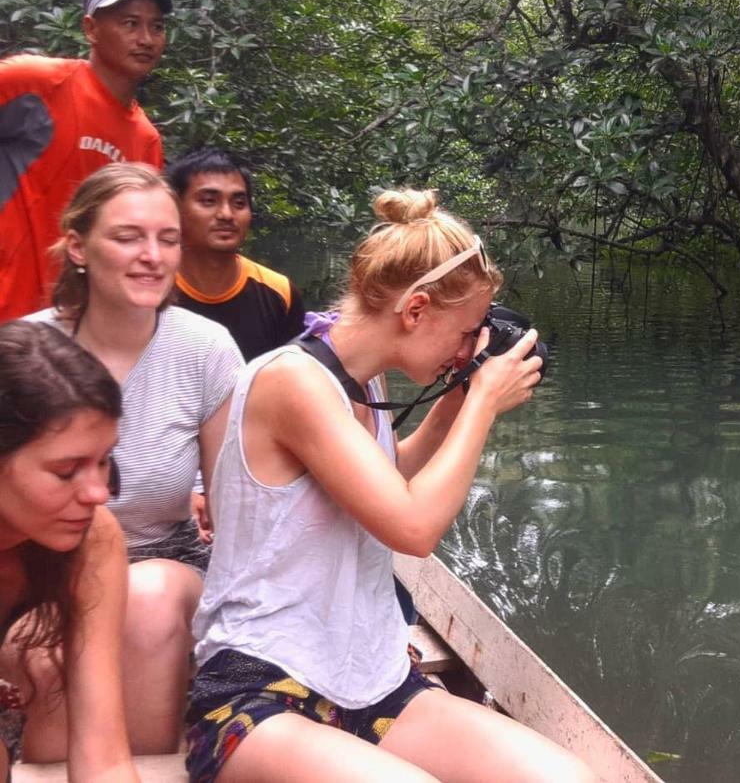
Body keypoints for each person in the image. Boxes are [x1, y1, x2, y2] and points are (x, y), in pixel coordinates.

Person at [185, 189, 594, 782]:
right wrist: (481, 403)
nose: (468, 348)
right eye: (466, 332)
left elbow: (385, 480)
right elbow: (412, 529)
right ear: (416, 309)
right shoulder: (293, 382)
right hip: (260, 688)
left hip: (370, 681)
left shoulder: (361, 380)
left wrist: (456, 399)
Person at [22, 163, 243, 758]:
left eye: (167, 239)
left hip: (165, 560)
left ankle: (147, 762)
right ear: (78, 247)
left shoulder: (205, 348)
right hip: (42, 567)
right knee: (44, 649)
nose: (152, 256)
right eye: (128, 237)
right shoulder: (25, 351)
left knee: (142, 603)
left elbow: (233, 516)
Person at [0, 320, 139, 782]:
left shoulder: (93, 538)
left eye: (103, 460)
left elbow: (103, 757)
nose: (99, 493)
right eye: (66, 471)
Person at [0, 0, 172, 322]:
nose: (146, 38)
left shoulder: (146, 139)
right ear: (91, 29)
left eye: (156, 27)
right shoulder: (36, 82)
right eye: (130, 24)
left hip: (76, 329)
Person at [168, 147, 306, 360]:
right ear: (176, 207)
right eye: (208, 201)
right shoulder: (154, 287)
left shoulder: (279, 293)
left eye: (239, 203)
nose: (226, 214)